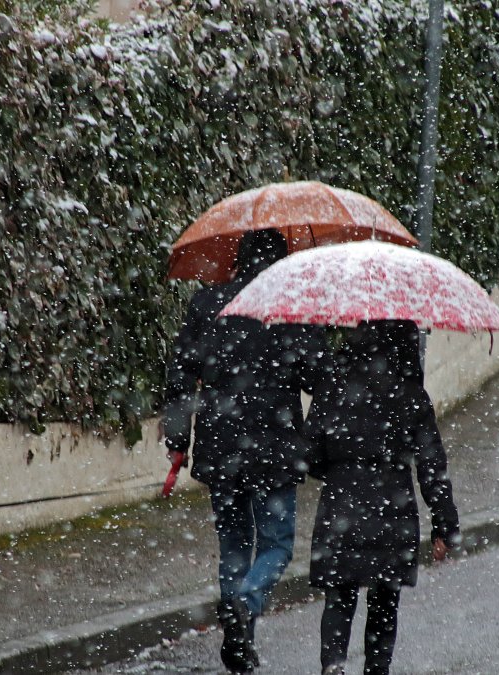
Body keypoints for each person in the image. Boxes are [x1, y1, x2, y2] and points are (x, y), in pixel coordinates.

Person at [163, 228, 327, 673]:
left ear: (238, 257)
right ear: (279, 262)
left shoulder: (206, 305)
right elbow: (318, 378)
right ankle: (246, 603)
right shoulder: (291, 308)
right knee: (275, 545)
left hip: (221, 448)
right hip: (275, 447)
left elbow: (179, 376)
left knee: (234, 545)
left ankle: (239, 641)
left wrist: (178, 440)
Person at [305, 320, 461, 675]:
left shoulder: (332, 385)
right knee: (384, 602)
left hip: (340, 505)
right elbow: (432, 464)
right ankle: (377, 669)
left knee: (339, 596)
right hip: (393, 508)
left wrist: (338, 471)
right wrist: (444, 524)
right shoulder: (410, 394)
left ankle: (333, 665)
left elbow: (309, 452)